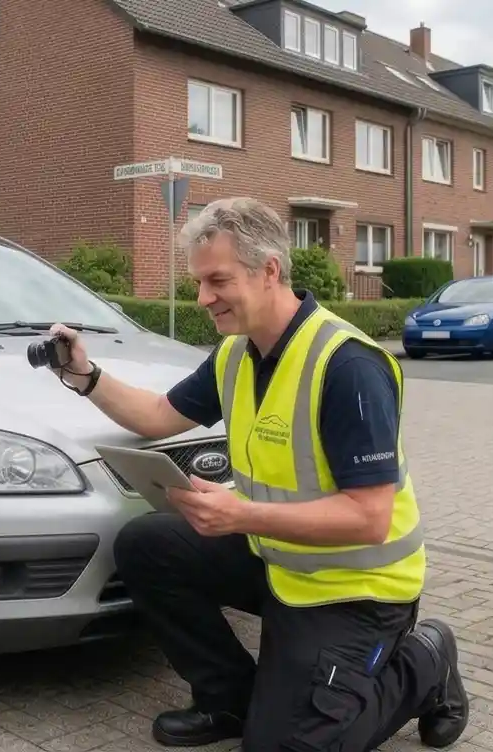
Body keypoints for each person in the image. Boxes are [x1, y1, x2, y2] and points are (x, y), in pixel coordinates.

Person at [45, 197, 468, 751]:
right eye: (199, 282)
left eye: (217, 280)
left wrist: (240, 515)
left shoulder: (348, 366)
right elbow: (157, 415)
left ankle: (426, 660)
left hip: (356, 589)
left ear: (269, 270)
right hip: (279, 560)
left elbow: (369, 518)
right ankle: (229, 699)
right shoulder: (236, 355)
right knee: (147, 544)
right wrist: (85, 376)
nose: (203, 297)